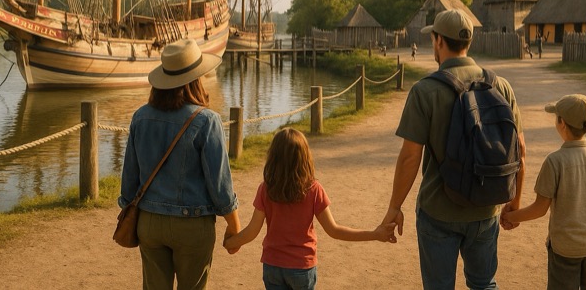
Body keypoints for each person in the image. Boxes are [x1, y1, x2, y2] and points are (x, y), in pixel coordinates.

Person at [381, 8, 526, 290]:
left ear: (438, 40)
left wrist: (395, 207)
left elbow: (410, 157)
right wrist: (515, 200)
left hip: (438, 211)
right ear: (468, 41)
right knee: (484, 284)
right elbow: (519, 149)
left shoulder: (425, 91)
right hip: (486, 208)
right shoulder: (500, 86)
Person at [119, 38, 241, 290]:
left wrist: (131, 209)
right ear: (196, 79)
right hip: (193, 225)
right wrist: (234, 225)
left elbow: (129, 180)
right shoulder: (207, 121)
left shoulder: (140, 117)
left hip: (149, 222)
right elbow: (220, 186)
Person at [223, 127, 397, 289]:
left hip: (273, 266)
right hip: (301, 267)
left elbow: (252, 231)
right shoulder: (313, 190)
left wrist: (230, 243)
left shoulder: (266, 189)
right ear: (305, 157)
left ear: (273, 158)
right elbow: (334, 230)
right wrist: (375, 234)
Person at [502, 94, 586, 290]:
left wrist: (510, 216)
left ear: (562, 123)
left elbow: (540, 209)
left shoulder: (555, 161)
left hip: (565, 248)